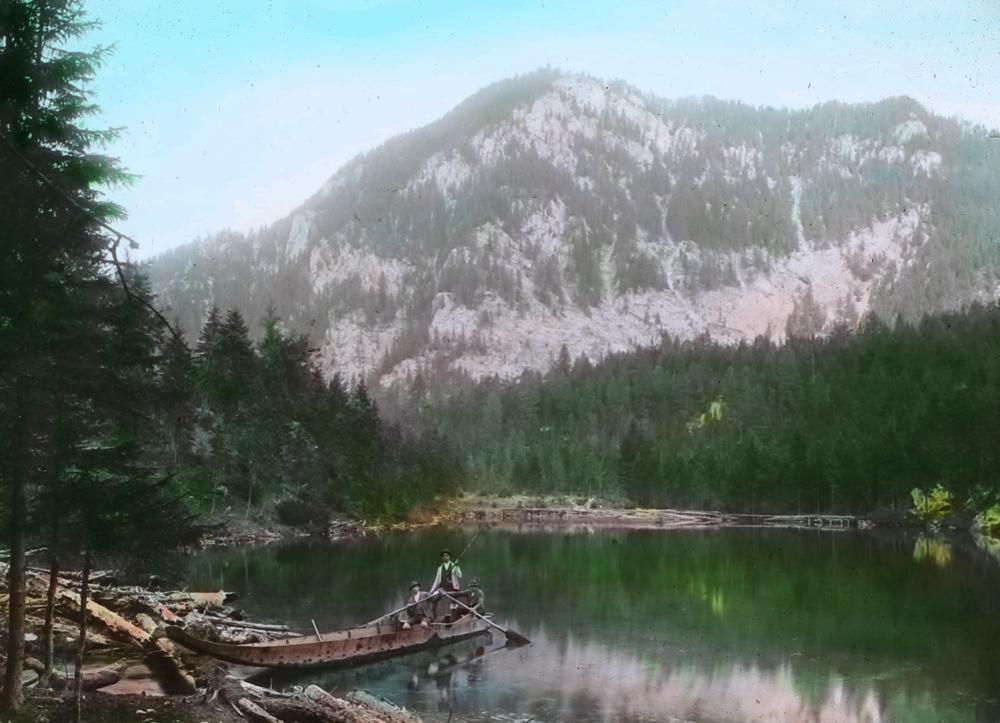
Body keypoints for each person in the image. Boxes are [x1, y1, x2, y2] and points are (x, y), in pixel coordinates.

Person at [428, 549, 462, 620]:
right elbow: (437, 581)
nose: (445, 557)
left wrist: (457, 566)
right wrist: (431, 591)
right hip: (443, 588)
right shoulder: (440, 568)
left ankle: (454, 617)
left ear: (449, 557)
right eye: (444, 556)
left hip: (453, 587)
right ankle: (434, 615)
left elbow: (460, 575)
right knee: (434, 598)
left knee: (454, 602)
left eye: (447, 556)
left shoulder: (454, 565)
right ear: (442, 558)